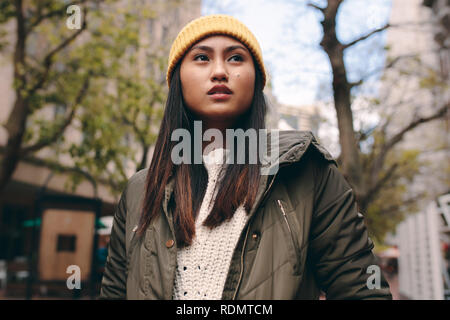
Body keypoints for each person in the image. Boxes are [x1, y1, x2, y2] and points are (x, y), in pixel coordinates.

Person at [99, 14, 392, 300]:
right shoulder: (139, 190)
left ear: (257, 82)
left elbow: (361, 288)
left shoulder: (306, 170)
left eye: (236, 58)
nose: (219, 71)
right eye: (201, 58)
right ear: (178, 80)